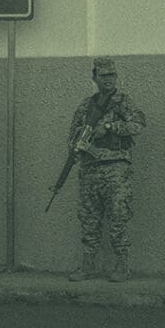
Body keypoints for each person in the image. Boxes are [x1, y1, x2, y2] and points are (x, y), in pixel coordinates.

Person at [67, 57, 146, 283]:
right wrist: (84, 145)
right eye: (104, 76)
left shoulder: (122, 102)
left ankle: (122, 265)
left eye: (112, 75)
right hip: (90, 168)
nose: (109, 80)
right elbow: (73, 136)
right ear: (94, 78)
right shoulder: (85, 106)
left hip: (116, 168)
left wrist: (110, 127)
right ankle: (88, 265)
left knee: (118, 215)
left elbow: (138, 124)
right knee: (88, 218)